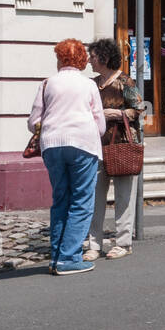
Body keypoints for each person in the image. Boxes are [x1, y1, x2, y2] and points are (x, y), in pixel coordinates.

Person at [28, 39, 105, 276]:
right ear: (82, 59)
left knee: (60, 198)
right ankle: (69, 258)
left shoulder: (47, 84)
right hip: (82, 143)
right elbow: (100, 124)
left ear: (60, 58)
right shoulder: (88, 85)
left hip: (52, 144)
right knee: (82, 200)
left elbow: (33, 123)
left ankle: (56, 257)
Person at [86, 37, 145, 261]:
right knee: (94, 197)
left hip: (122, 146)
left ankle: (123, 242)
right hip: (96, 147)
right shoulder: (91, 85)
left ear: (104, 57)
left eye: (92, 56)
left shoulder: (124, 82)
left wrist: (118, 114)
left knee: (124, 197)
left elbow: (139, 109)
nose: (89, 60)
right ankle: (94, 244)